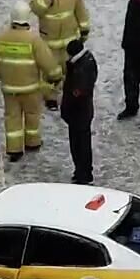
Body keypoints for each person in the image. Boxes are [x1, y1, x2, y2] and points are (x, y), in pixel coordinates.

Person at [0, 3, 61, 158]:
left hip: (9, 89)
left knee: (12, 118)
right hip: (31, 88)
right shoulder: (33, 40)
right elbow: (47, 63)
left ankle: (14, 149)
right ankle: (32, 143)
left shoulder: (0, 38)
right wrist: (55, 76)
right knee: (32, 115)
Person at [30, 0, 90, 106]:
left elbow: (80, 10)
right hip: (49, 42)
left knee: (69, 70)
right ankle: (50, 97)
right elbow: (37, 9)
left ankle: (68, 93)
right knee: (50, 71)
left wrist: (84, 30)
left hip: (69, 41)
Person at [60, 37, 99, 184]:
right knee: (79, 144)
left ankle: (84, 174)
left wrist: (67, 108)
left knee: (80, 145)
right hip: (81, 112)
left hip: (79, 113)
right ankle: (81, 171)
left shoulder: (80, 68)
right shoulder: (85, 61)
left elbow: (76, 92)